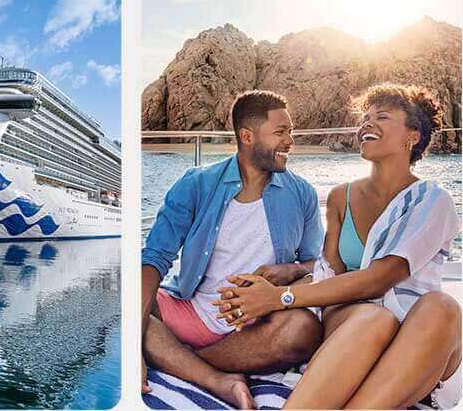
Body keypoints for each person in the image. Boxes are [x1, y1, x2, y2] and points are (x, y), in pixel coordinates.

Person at [218, 83, 462, 409]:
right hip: (353, 326)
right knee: (374, 319)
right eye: (365, 117)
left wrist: (278, 298)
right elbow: (326, 274)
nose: (367, 124)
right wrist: (258, 293)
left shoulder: (433, 200)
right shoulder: (340, 197)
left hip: (416, 340)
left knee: (443, 308)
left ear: (412, 136)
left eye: (383, 116)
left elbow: (380, 277)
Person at [141, 90, 324, 408]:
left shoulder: (302, 193)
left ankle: (179, 360)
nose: (290, 141)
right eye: (281, 132)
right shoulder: (196, 184)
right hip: (191, 313)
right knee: (130, 300)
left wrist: (291, 270)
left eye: (290, 132)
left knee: (303, 330)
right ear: (247, 136)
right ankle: (216, 379)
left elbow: (317, 265)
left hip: (258, 327)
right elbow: (155, 259)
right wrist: (134, 340)